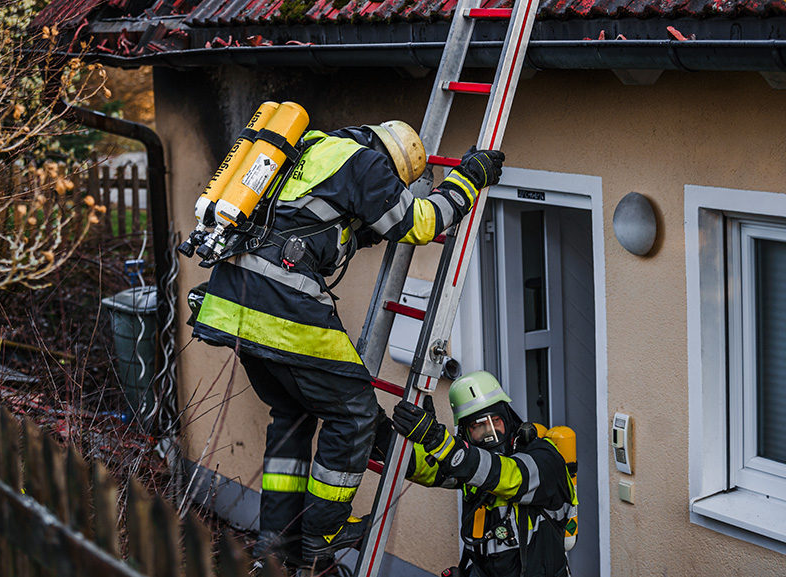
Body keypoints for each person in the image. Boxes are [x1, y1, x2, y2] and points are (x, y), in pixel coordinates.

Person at [191, 116, 505, 570]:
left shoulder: (311, 150)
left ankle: (277, 542)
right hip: (282, 309)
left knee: (293, 417)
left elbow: (310, 224)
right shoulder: (368, 165)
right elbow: (421, 222)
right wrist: (469, 176)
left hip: (232, 306)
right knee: (354, 417)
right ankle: (324, 533)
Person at [391, 371, 576, 577]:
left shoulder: (545, 458)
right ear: (466, 435)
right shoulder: (470, 466)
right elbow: (430, 468)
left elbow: (512, 477)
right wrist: (382, 438)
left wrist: (443, 445)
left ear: (508, 417)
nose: (490, 432)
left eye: (495, 421)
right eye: (478, 426)